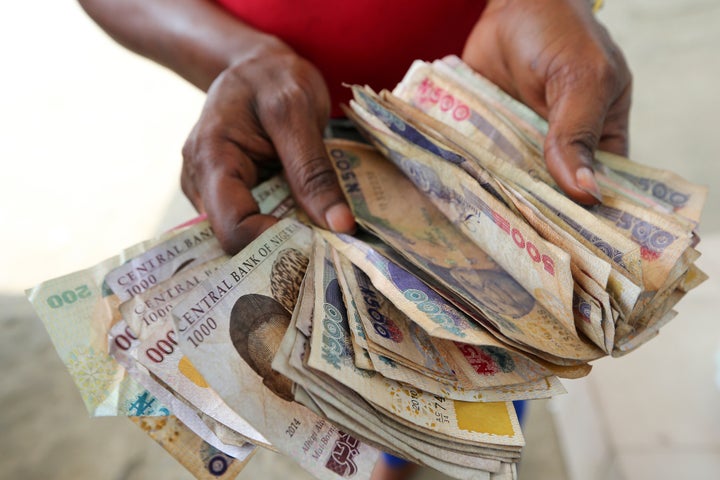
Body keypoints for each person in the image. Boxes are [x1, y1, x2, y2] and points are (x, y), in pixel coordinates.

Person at [77, 0, 632, 478]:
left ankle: (432, 449)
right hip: (279, 137)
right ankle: (399, 449)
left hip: (490, 112)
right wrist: (234, 54)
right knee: (344, 366)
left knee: (495, 342)